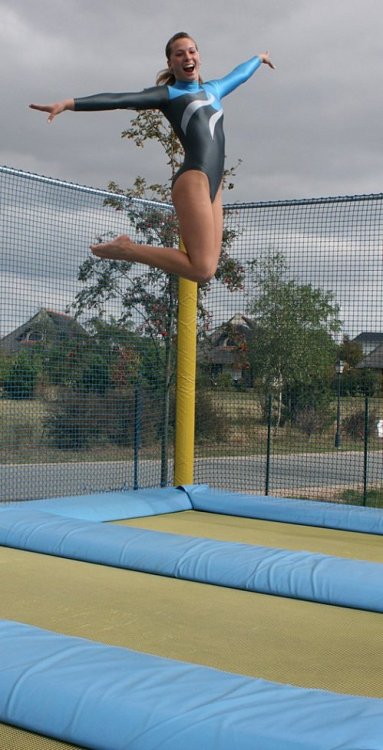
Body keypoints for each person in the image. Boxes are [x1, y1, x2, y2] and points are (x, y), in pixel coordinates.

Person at [30, 32, 275, 283]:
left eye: (191, 51)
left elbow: (240, 74)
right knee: (200, 270)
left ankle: (128, 250)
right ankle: (127, 249)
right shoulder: (168, 95)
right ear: (170, 63)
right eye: (179, 54)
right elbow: (119, 99)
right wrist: (68, 104)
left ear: (199, 56)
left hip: (215, 184)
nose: (187, 57)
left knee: (207, 270)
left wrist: (259, 58)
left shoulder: (214, 89)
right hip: (194, 179)